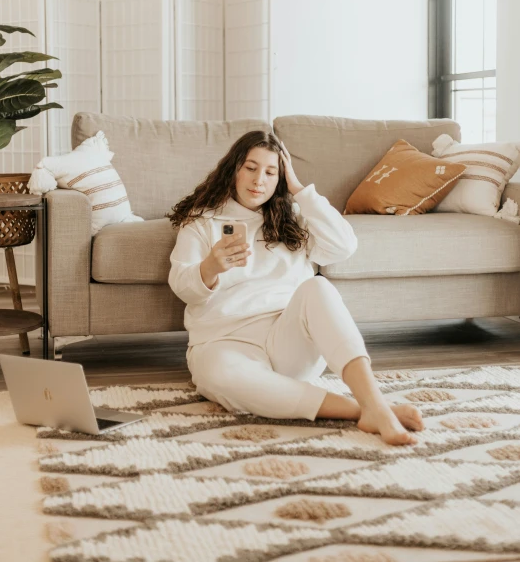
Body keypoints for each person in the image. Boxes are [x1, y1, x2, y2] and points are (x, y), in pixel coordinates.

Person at [167, 131, 424, 445]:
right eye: (250, 167)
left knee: (318, 288)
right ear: (233, 169)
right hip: (224, 343)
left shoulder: (294, 221)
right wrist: (211, 267)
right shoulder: (200, 222)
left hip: (288, 341)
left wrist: (300, 191)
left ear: (281, 178)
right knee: (216, 374)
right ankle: (370, 411)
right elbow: (183, 286)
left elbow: (344, 246)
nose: (258, 179)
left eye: (270, 172)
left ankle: (374, 402)